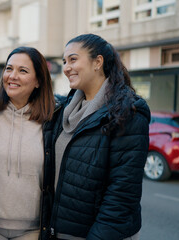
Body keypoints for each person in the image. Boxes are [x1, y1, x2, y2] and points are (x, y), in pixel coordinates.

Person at [44, 33, 150, 239]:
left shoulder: (128, 112)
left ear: (97, 62)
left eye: (73, 59)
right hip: (61, 232)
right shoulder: (65, 110)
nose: (66, 67)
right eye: (65, 61)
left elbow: (121, 196)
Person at [0, 47, 55, 240]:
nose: (12, 76)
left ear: (38, 81)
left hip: (33, 230)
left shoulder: (54, 118)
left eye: (23, 71)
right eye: (9, 69)